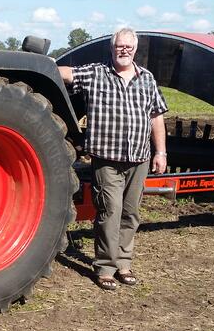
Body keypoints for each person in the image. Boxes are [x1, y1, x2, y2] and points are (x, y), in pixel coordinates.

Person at [59, 28, 168, 291]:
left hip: (139, 158)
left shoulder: (147, 79)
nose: (124, 50)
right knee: (110, 211)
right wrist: (41, 64)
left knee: (130, 213)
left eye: (129, 46)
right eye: (120, 46)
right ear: (112, 48)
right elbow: (67, 73)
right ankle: (106, 267)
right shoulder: (97, 73)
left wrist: (160, 152)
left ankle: (124, 264)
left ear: (135, 49)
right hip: (107, 159)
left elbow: (156, 117)